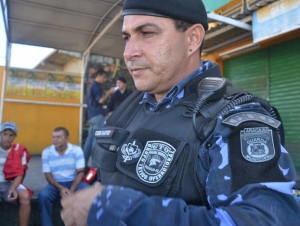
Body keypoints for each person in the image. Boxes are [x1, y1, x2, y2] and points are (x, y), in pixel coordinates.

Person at [61, 0, 300, 225]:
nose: (129, 52)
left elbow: (269, 218)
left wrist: (121, 210)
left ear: (192, 39)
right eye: (127, 37)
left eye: (147, 33)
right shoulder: (129, 105)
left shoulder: (234, 118)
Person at [38, 127, 90, 226]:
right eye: (53, 137)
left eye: (58, 137)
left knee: (87, 190)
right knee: (43, 196)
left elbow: (81, 172)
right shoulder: (47, 152)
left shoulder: (76, 150)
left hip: (74, 181)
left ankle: (85, 223)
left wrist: (72, 190)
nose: (55, 139)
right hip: (56, 184)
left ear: (67, 138)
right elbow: (47, 175)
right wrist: (61, 188)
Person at [0, 122, 31, 226]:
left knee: (25, 196)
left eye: (11, 135)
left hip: (10, 182)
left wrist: (13, 189)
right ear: (0, 134)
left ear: (15, 136)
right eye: (5, 134)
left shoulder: (19, 150)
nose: (7, 138)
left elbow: (19, 173)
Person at [83, 69, 114, 166]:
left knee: (90, 138)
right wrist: (109, 92)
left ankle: (83, 163)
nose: (104, 80)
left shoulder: (91, 86)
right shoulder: (96, 86)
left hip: (91, 116)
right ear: (99, 75)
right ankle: (95, 165)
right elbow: (100, 100)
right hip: (97, 115)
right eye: (104, 77)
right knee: (97, 139)